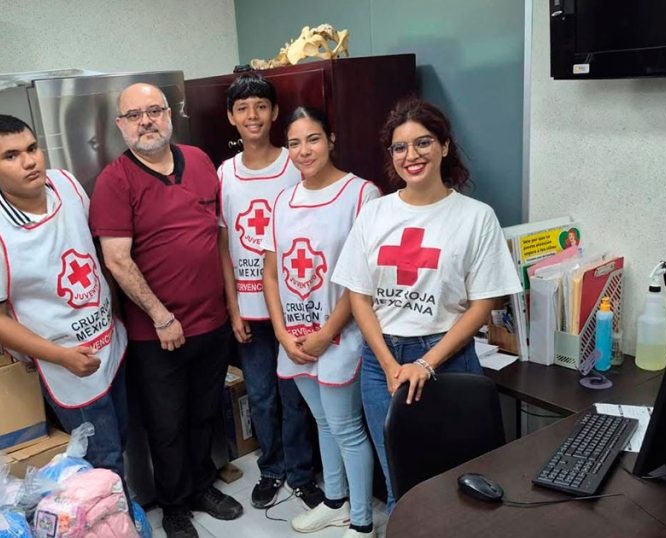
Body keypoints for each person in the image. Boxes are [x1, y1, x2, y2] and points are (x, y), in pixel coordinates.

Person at [332, 98, 522, 511]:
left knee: (459, 484)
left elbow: (483, 302)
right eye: (399, 147)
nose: (411, 155)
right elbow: (359, 297)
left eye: (423, 143)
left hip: (446, 360)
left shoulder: (476, 217)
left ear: (445, 146)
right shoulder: (374, 214)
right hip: (382, 362)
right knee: (402, 485)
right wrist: (388, 364)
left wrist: (426, 363)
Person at [89, 83, 242, 538]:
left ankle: (200, 486)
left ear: (170, 115)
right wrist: (161, 316)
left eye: (154, 111)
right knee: (166, 423)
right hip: (157, 333)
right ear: (121, 126)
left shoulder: (198, 161)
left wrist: (229, 308)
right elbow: (117, 258)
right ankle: (174, 505)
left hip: (210, 322)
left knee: (204, 413)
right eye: (134, 115)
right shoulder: (115, 181)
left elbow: (216, 236)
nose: (146, 121)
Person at [0, 114, 129, 483]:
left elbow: (94, 249)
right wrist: (62, 357)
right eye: (12, 156)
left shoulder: (66, 184)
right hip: (68, 365)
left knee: (124, 441)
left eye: (33, 149)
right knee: (104, 463)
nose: (30, 161)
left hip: (111, 344)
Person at [263, 106, 381, 538]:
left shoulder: (361, 195)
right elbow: (270, 272)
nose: (303, 150)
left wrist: (326, 333)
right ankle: (334, 502)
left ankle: (363, 522)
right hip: (294, 336)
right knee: (323, 422)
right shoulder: (282, 201)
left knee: (347, 428)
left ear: (331, 139)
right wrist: (281, 332)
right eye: (293, 143)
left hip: (340, 336)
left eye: (312, 139)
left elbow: (360, 279)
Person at [217, 73, 323, 510]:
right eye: (242, 108)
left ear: (275, 112)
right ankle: (272, 468)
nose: (252, 115)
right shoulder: (224, 173)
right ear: (231, 118)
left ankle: (301, 472)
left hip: (293, 308)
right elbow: (223, 244)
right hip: (250, 310)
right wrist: (233, 308)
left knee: (294, 398)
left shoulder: (292, 166)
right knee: (259, 395)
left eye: (261, 106)